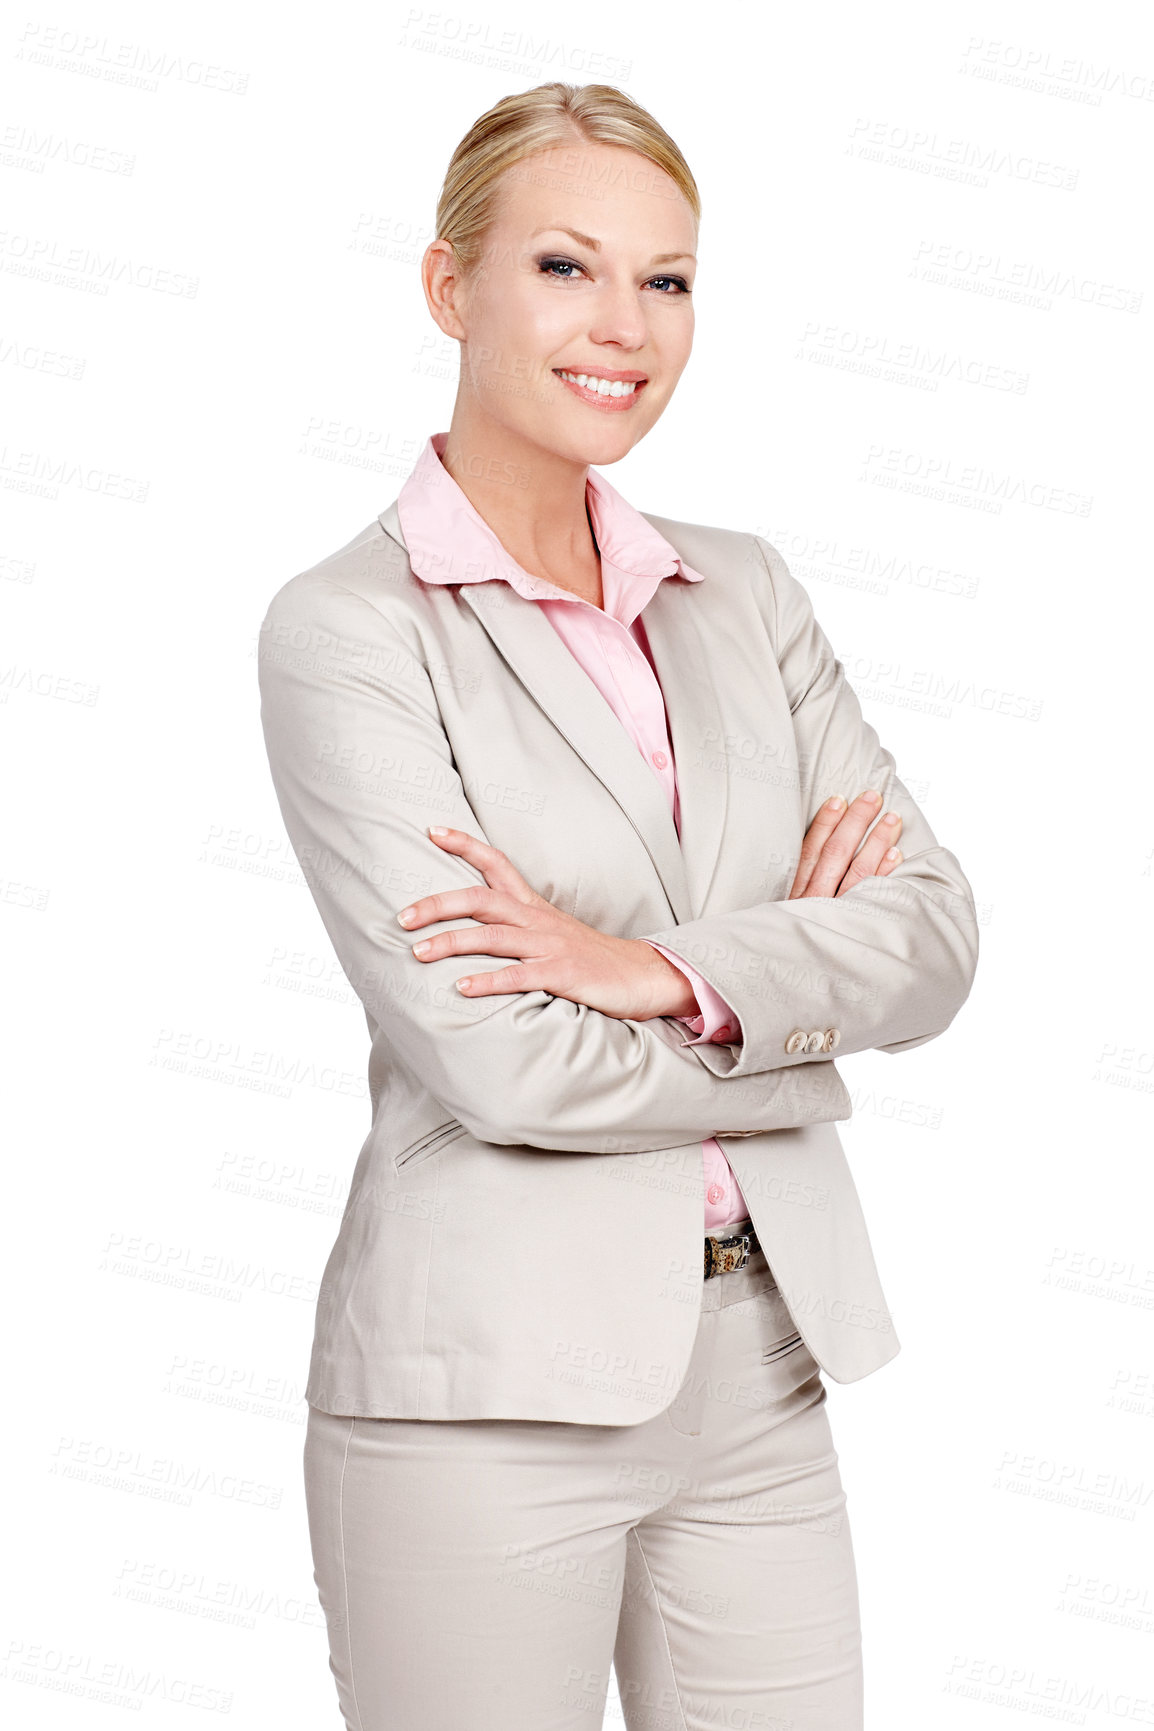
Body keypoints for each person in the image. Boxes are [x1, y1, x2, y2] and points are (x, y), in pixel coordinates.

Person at [257, 79, 978, 1731]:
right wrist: (795, 1020)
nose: (624, 325)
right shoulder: (350, 631)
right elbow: (493, 1059)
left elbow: (931, 936)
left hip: (764, 1364)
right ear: (452, 289)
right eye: (567, 267)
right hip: (486, 1401)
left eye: (666, 279)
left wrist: (644, 969)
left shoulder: (745, 592)